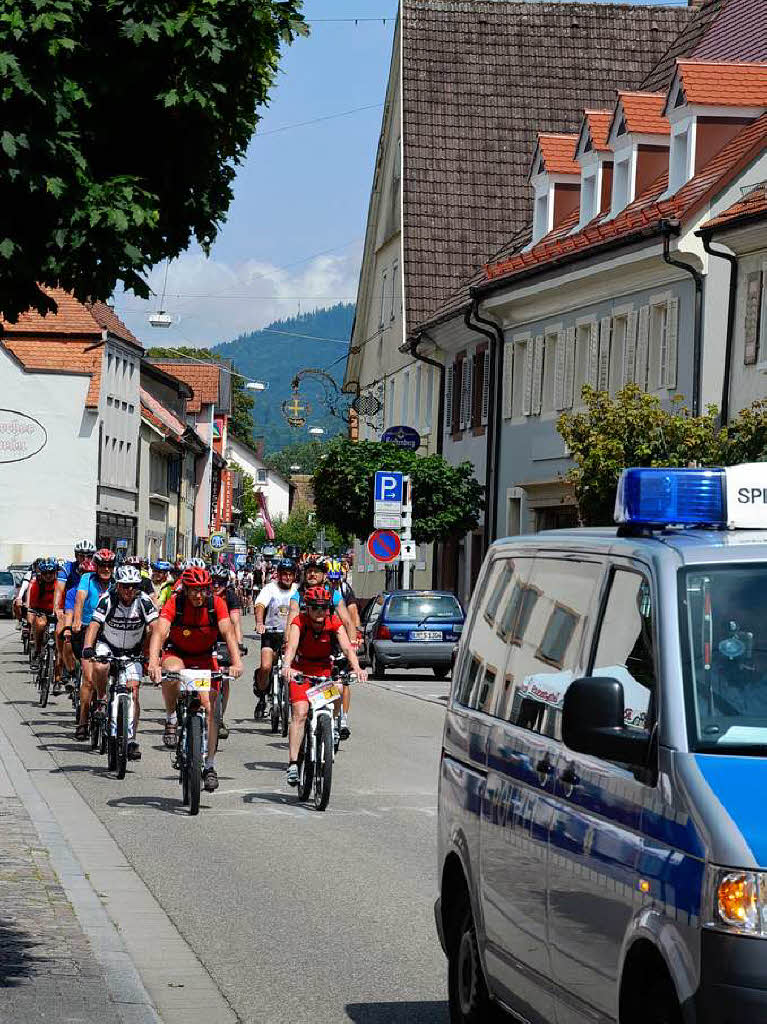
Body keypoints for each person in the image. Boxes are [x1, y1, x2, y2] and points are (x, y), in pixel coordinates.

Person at [147, 566, 243, 793]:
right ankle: (171, 718)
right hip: (177, 653)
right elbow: (160, 632)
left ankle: (209, 766)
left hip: (204, 658)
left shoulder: (215, 604)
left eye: (202, 590)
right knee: (172, 673)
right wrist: (153, 661)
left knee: (210, 708)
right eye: (193, 591)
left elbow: (228, 633)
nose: (198, 595)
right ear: (186, 589)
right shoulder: (176, 602)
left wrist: (237, 662)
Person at [281, 586, 366, 786]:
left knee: (338, 689)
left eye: (324, 608)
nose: (320, 612)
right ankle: (293, 763)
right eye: (315, 608)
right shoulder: (298, 622)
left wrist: (357, 668)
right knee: (300, 712)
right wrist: (287, 667)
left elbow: (346, 647)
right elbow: (292, 647)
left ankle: (333, 726)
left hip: (323, 673)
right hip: (301, 672)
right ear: (307, 608)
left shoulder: (333, 622)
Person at [80, 565, 158, 759]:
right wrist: (88, 647)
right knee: (100, 666)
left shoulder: (144, 601)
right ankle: (101, 699)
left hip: (133, 650)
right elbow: (94, 625)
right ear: (118, 585)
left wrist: (153, 655)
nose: (128, 590)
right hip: (108, 645)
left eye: (133, 586)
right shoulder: (108, 599)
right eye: (124, 586)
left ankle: (130, 739)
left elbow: (156, 628)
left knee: (134, 691)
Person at [286, 556, 358, 738]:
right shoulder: (298, 594)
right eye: (309, 571)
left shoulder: (333, 594)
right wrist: (288, 643)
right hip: (304, 645)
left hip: (330, 645)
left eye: (316, 571)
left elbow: (347, 621)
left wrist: (351, 645)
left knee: (341, 683)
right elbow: (292, 617)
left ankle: (335, 722)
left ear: (324, 575)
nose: (312, 574)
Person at [73, 550, 116, 738]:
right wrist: (76, 619)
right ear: (96, 566)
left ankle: (110, 708)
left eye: (110, 566)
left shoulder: (117, 583)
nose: (106, 569)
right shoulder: (87, 579)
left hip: (110, 633)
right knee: (89, 679)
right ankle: (83, 721)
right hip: (86, 629)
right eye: (103, 565)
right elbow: (80, 598)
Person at [253, 558, 298, 718]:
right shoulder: (269, 589)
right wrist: (259, 623)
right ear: (278, 575)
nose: (287, 577)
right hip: (271, 634)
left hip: (290, 637)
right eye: (284, 574)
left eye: (290, 574)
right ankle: (262, 697)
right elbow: (260, 606)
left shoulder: (297, 590)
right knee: (266, 666)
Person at [54, 540, 95, 693]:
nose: (85, 558)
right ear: (76, 555)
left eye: (89, 555)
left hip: (90, 615)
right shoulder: (67, 569)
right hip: (69, 608)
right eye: (82, 555)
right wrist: (57, 608)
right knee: (62, 633)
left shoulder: (97, 571)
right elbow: (59, 590)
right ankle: (63, 665)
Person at [210, 563, 245, 739]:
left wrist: (238, 645)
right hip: (206, 638)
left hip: (225, 639)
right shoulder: (203, 595)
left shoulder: (231, 597)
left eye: (220, 582)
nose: (216, 586)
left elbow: (236, 622)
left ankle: (220, 717)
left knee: (224, 678)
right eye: (213, 582)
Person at [27, 558, 58, 670]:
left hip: (57, 612)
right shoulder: (38, 584)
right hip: (42, 611)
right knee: (39, 625)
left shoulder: (60, 583)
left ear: (55, 572)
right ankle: (37, 650)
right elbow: (33, 603)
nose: (48, 575)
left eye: (51, 572)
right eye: (45, 573)